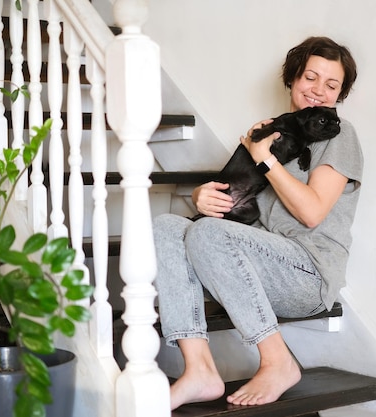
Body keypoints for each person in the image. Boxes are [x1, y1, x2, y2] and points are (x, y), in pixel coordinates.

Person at [153, 36, 362, 410]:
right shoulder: (270, 132)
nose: (318, 91)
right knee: (167, 226)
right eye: (310, 78)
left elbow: (311, 212)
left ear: (340, 94)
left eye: (331, 85)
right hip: (256, 263)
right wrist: (205, 196)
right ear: (292, 78)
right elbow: (241, 195)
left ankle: (277, 360)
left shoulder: (340, 135)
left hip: (307, 273)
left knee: (207, 233)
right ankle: (198, 368)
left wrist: (266, 159)